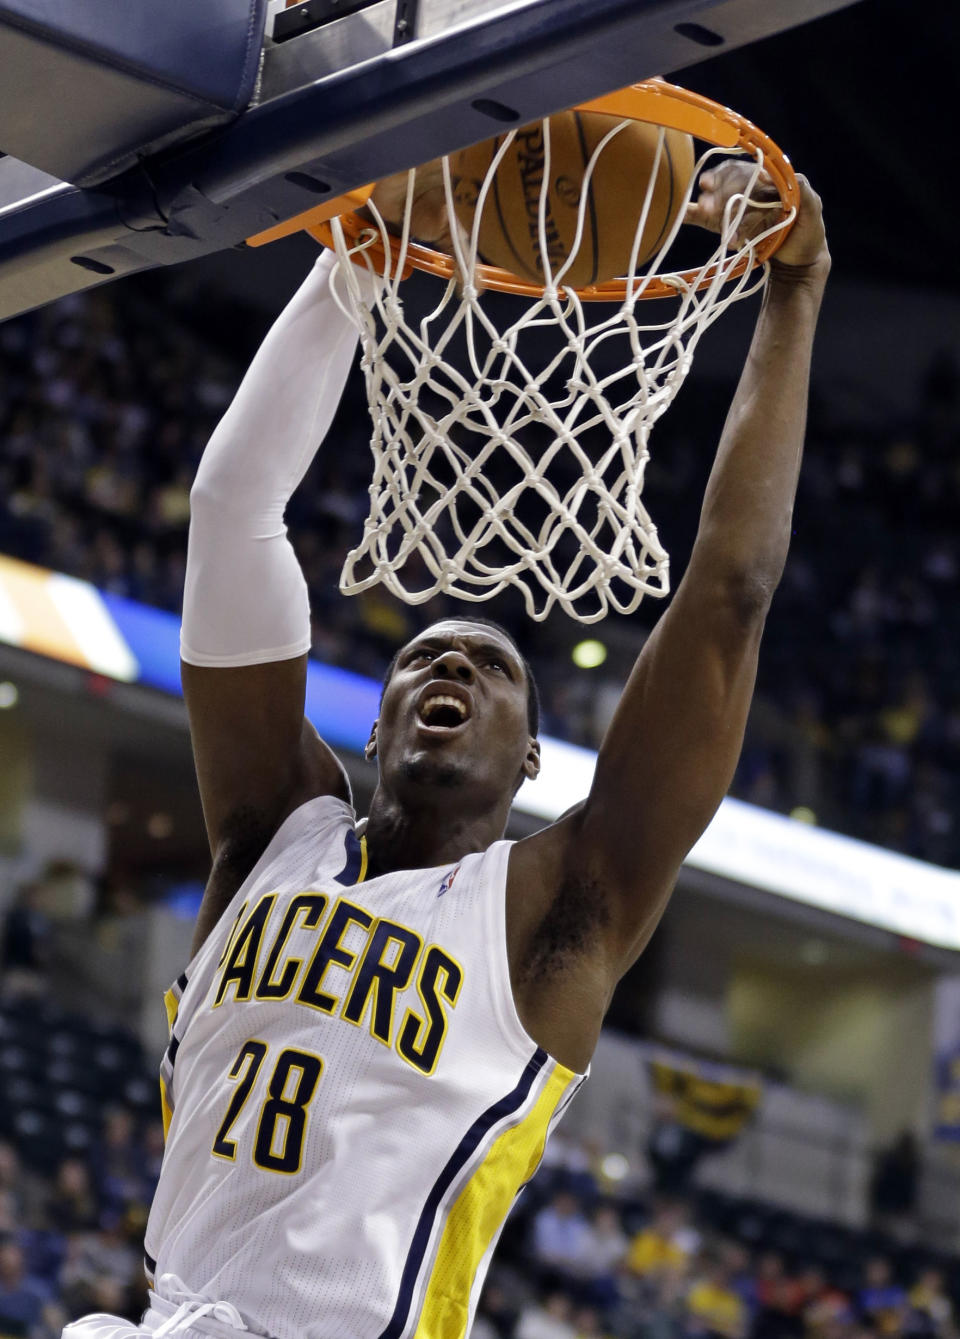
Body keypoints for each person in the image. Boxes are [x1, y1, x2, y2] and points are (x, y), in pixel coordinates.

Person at [64, 155, 829, 1339]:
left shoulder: (556, 908)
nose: (453, 666)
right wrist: (352, 264)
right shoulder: (275, 828)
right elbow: (232, 510)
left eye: (494, 669)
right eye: (425, 656)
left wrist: (795, 289)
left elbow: (728, 595)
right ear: (371, 722)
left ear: (533, 761)